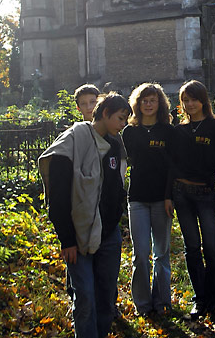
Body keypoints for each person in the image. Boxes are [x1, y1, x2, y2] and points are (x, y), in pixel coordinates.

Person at [38, 92, 132, 338]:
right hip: (78, 236)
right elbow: (58, 197)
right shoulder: (72, 142)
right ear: (105, 113)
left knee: (105, 297)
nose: (123, 125)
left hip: (108, 233)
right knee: (86, 298)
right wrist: (66, 239)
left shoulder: (115, 144)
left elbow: (115, 187)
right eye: (121, 118)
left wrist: (115, 221)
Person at [166, 80, 215, 321]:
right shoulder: (178, 130)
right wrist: (168, 196)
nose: (190, 104)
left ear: (203, 100)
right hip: (181, 194)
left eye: (194, 99)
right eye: (185, 100)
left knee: (212, 249)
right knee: (192, 248)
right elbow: (171, 164)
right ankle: (200, 298)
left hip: (206, 194)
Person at [123, 83, 174, 317]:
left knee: (161, 253)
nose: (149, 104)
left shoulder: (168, 131)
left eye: (153, 100)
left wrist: (169, 197)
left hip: (161, 199)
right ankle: (142, 303)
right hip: (138, 199)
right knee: (141, 253)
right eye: (144, 100)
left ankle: (162, 300)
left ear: (159, 103)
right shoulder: (130, 132)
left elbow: (173, 166)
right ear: (138, 104)